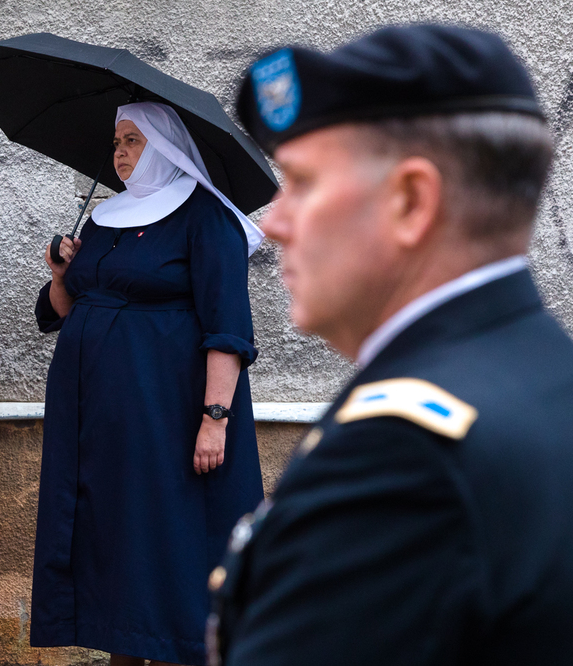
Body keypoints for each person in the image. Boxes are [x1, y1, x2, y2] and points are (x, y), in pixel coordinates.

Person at [209, 24, 573, 665]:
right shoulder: (546, 376)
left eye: (301, 182)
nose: (274, 222)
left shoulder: (402, 452)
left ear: (411, 201)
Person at [30, 101, 267, 666]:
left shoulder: (206, 218)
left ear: (165, 146)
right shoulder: (105, 218)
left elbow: (227, 329)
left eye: (133, 141)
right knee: (113, 541)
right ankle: (121, 650)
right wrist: (63, 276)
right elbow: (65, 308)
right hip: (98, 422)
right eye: (116, 142)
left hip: (166, 412)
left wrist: (215, 419)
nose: (119, 153)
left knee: (163, 543)